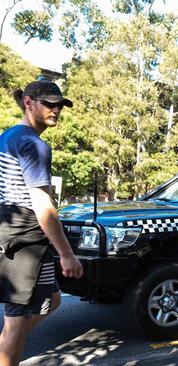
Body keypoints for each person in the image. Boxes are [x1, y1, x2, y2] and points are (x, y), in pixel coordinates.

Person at [0, 80, 84, 366]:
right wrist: (66, 254)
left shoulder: (8, 137)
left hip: (16, 235)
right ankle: (8, 350)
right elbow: (42, 205)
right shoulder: (34, 145)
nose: (56, 109)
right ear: (28, 102)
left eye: (59, 104)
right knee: (16, 323)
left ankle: (8, 347)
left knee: (53, 301)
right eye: (49, 103)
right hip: (24, 240)